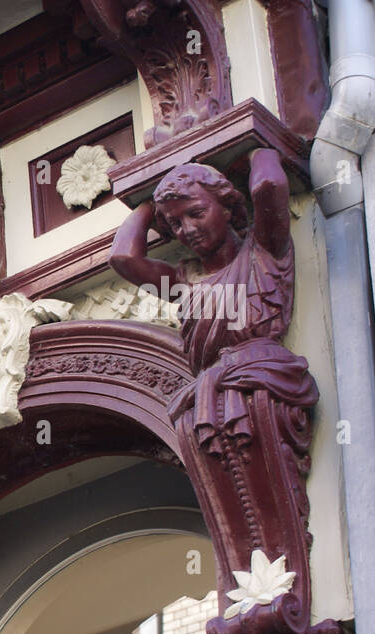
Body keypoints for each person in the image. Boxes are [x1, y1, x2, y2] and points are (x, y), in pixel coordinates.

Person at [109, 148, 314, 451]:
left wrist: (254, 152)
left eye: (196, 213)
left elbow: (268, 185)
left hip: (263, 382)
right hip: (212, 394)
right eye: (175, 224)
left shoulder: (263, 252)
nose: (187, 230)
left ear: (228, 208)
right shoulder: (184, 281)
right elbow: (123, 257)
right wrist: (153, 203)